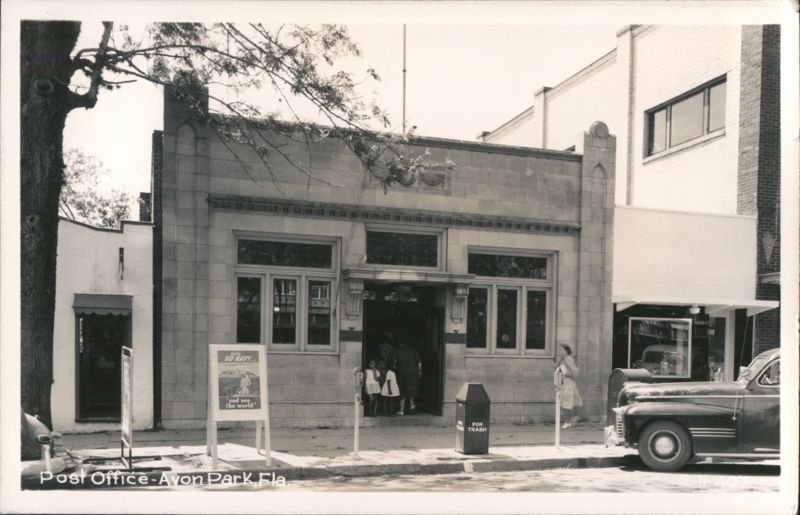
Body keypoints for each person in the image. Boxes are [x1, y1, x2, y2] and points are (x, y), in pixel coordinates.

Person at [555, 344, 582, 429]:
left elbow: (575, 371)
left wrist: (568, 375)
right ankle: (571, 419)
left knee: (567, 402)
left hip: (568, 383)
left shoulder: (568, 359)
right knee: (565, 402)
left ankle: (568, 421)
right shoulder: (562, 359)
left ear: (566, 351)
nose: (559, 351)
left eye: (561, 350)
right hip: (563, 383)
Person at [393, 339, 422, 415]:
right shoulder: (413, 350)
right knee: (411, 388)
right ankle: (412, 405)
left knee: (402, 391)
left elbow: (394, 363)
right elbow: (419, 363)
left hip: (402, 372)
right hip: (413, 372)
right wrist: (419, 372)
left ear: (399, 342)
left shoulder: (397, 350)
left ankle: (401, 410)